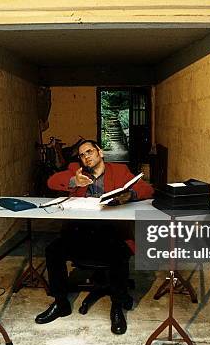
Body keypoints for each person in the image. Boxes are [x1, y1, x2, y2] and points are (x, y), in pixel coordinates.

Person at [35, 139, 154, 334]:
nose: (86, 157)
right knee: (53, 250)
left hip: (112, 231)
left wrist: (129, 195)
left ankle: (117, 307)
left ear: (100, 152)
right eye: (82, 154)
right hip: (80, 231)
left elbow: (147, 189)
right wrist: (74, 181)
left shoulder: (119, 171)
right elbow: (52, 182)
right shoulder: (77, 170)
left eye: (89, 152)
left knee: (118, 254)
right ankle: (61, 303)